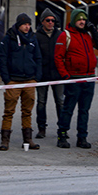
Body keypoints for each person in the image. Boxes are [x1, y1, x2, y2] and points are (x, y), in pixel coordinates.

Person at [55, 8, 98, 149]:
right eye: (79, 19)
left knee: (84, 110)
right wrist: (65, 76)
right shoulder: (65, 35)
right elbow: (58, 57)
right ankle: (62, 135)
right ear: (73, 21)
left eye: (84, 19)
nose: (82, 22)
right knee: (68, 108)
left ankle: (82, 137)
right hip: (74, 78)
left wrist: (94, 30)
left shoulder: (88, 35)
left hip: (89, 78)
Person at [0, 13, 42, 151]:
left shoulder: (33, 39)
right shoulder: (8, 39)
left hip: (29, 80)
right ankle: (5, 140)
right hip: (13, 81)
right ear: (18, 25)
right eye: (24, 24)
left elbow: (38, 58)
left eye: (29, 24)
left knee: (27, 111)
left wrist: (37, 77)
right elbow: (2, 59)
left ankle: (28, 139)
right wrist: (7, 79)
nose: (27, 27)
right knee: (9, 111)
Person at [34, 8, 64, 139]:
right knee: (41, 102)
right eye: (48, 20)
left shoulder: (61, 35)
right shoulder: (36, 36)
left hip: (58, 74)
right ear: (42, 22)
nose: (51, 22)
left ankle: (63, 129)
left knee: (60, 102)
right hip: (42, 75)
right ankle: (41, 128)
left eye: (53, 20)